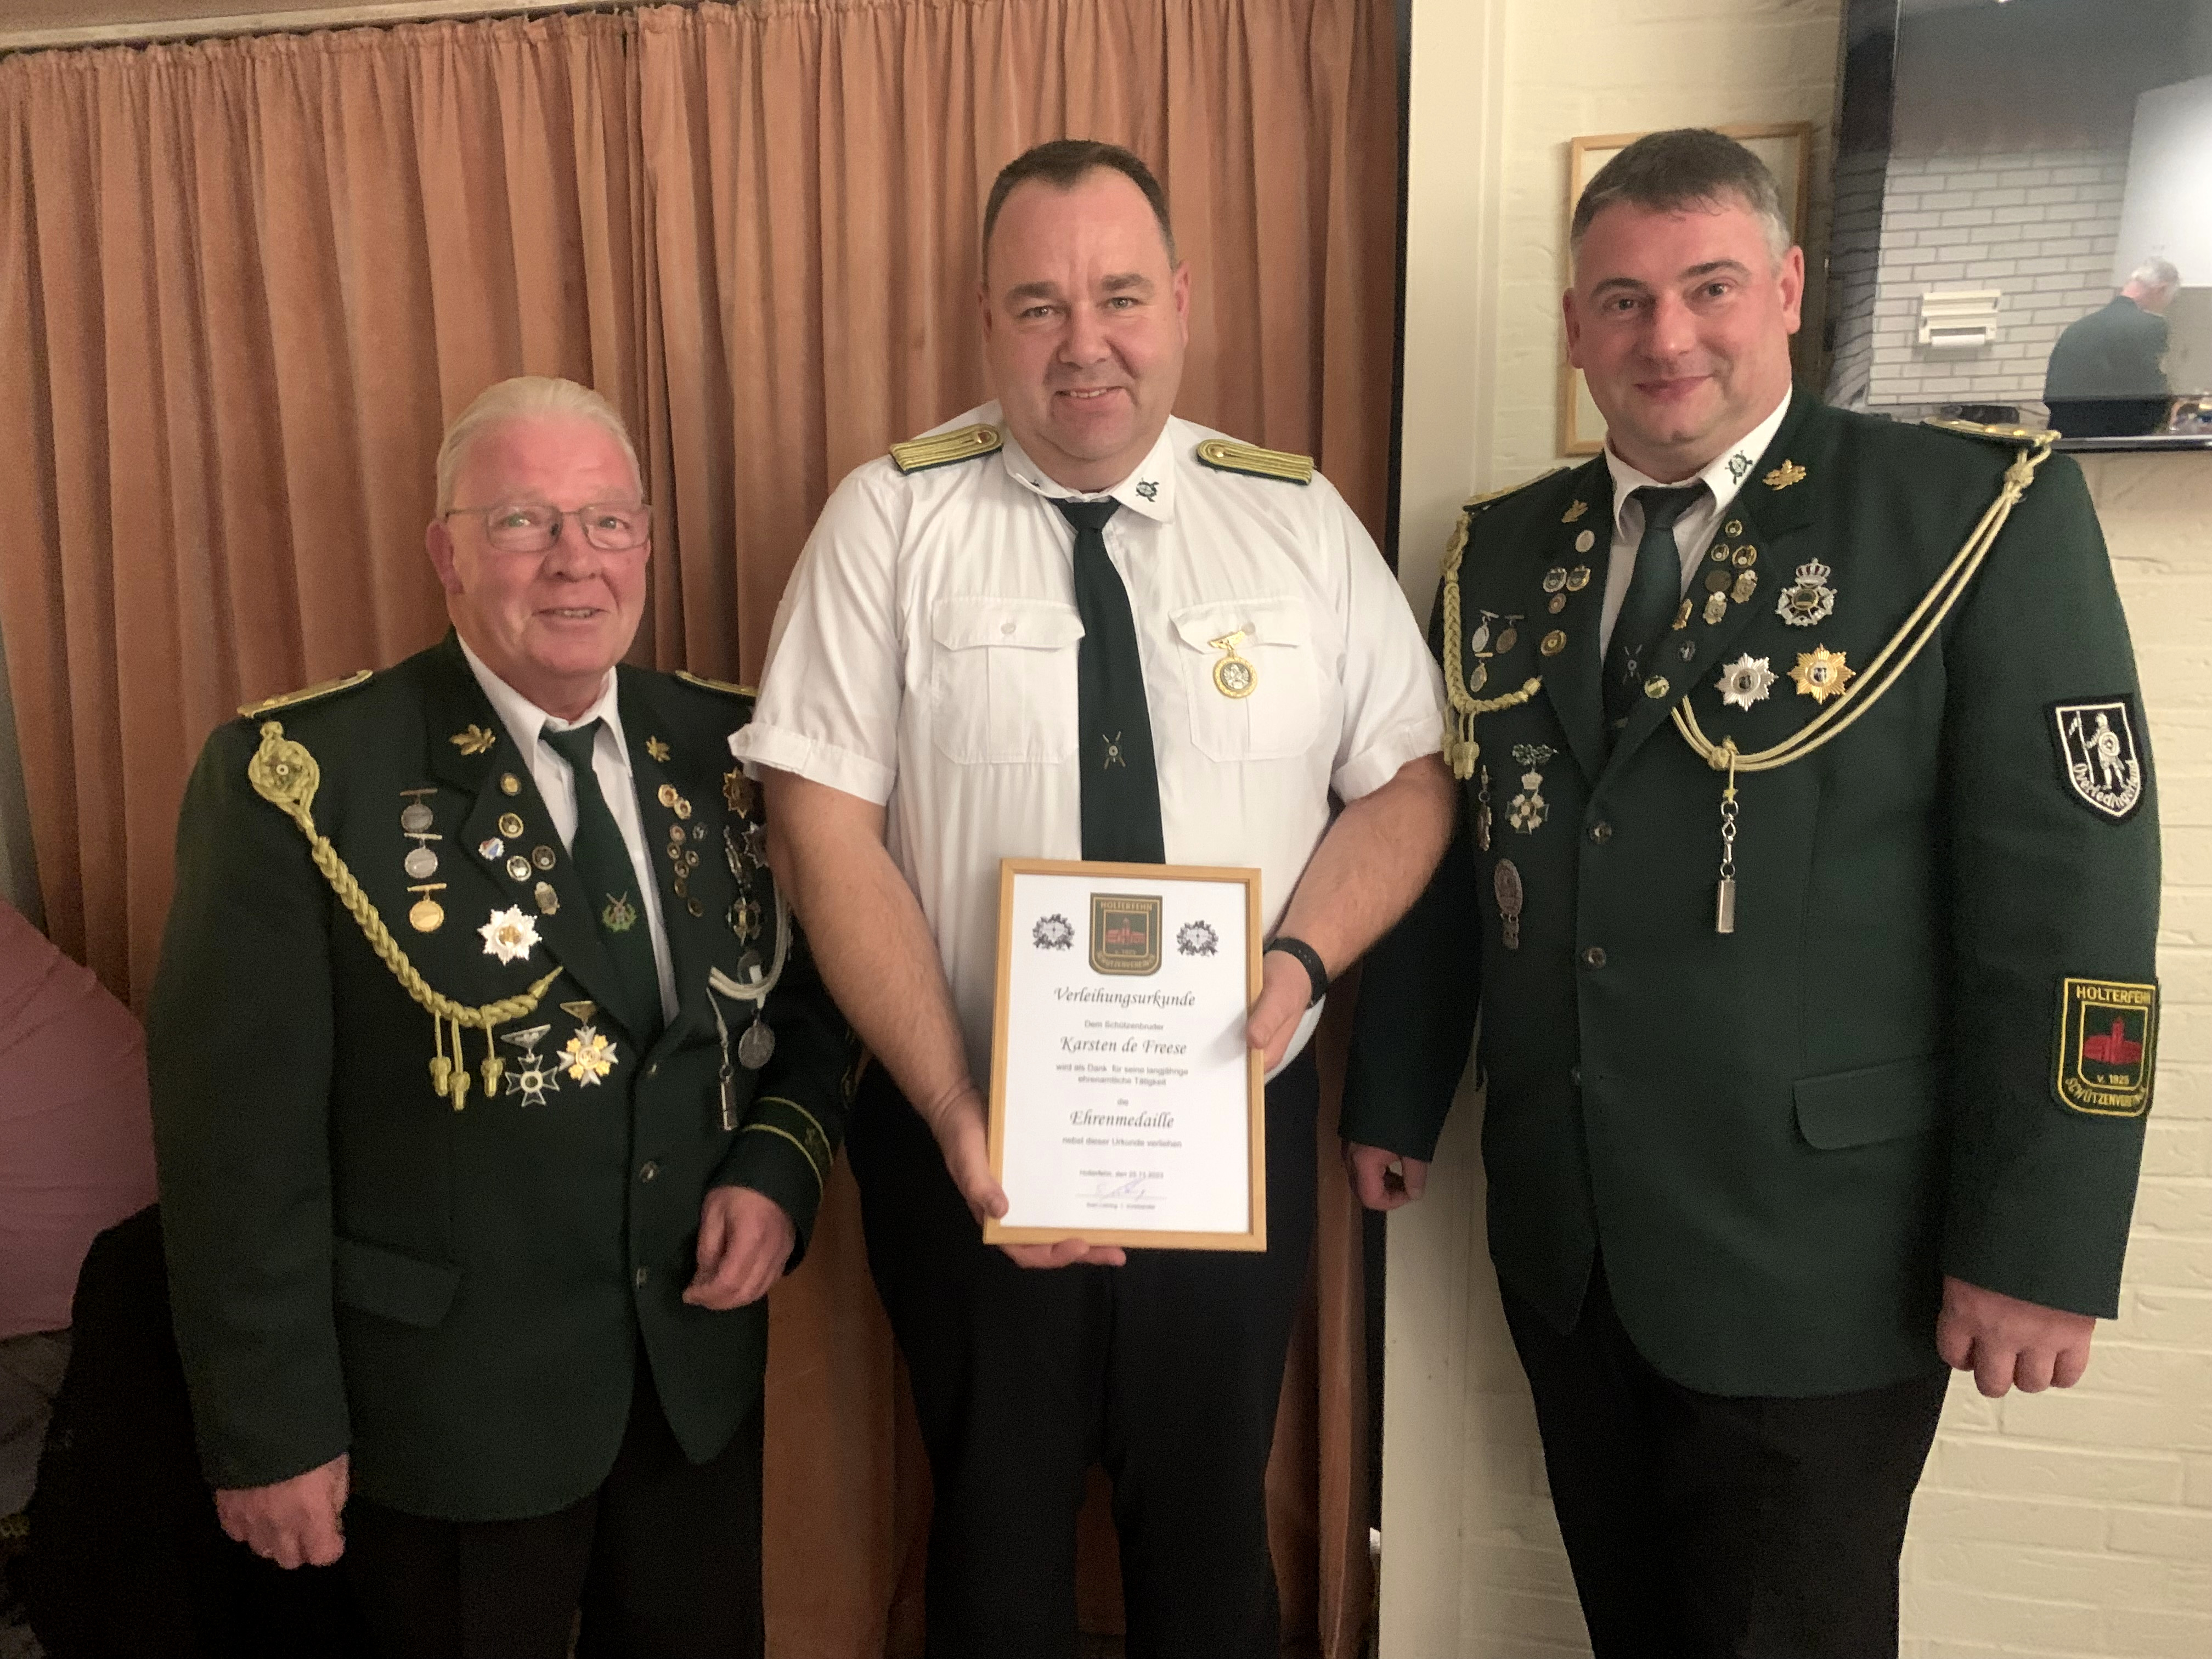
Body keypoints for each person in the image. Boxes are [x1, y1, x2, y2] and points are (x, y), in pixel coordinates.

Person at [1343, 129, 2160, 1658]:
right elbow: (1464, 844)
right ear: (1575, 324)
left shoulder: (1966, 515)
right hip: (1571, 1239)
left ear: (1786, 289)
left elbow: (2070, 917)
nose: (1667, 337)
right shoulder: (1500, 554)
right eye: (1623, 299)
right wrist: (1395, 1086)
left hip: (1822, 1258)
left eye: (1709, 287)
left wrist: (2039, 1244)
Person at [735, 140, 1453, 1658]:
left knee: (1209, 1542)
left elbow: (1407, 783)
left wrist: (1302, 965)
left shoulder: (1294, 519)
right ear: (985, 321)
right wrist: (952, 1104)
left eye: (1121, 296)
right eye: (1040, 305)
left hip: (1226, 1134)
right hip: (968, 1136)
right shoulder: (888, 521)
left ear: (1181, 302)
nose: (1086, 343)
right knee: (993, 1548)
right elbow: (821, 824)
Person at [148, 376, 851, 1659]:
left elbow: (813, 1002)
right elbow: (236, 1148)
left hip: (689, 1383)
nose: (576, 560)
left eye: (608, 521)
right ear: (448, 553)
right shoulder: (301, 781)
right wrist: (270, 1430)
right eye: (524, 521)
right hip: (449, 1410)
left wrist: (776, 1171)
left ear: (646, 543)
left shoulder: (734, 750)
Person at [2044, 256, 2181, 437]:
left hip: (2065, 436)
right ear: (2161, 289)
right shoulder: (2152, 325)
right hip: (2117, 439)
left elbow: (2053, 389)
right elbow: (2150, 386)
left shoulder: (2078, 327)